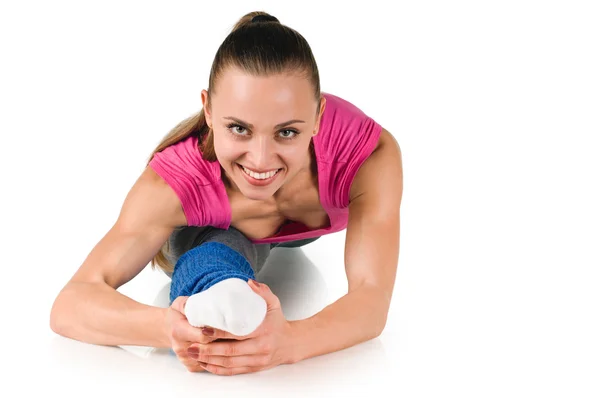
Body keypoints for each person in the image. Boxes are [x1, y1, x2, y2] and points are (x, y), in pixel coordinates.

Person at [50, 11, 403, 376]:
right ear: (208, 109)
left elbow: (371, 299)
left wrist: (290, 342)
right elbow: (70, 305)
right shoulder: (176, 182)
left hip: (306, 230)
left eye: (287, 132)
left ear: (317, 116)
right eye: (238, 129)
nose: (261, 160)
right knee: (220, 254)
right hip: (222, 230)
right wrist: (169, 329)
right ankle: (219, 287)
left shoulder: (367, 155)